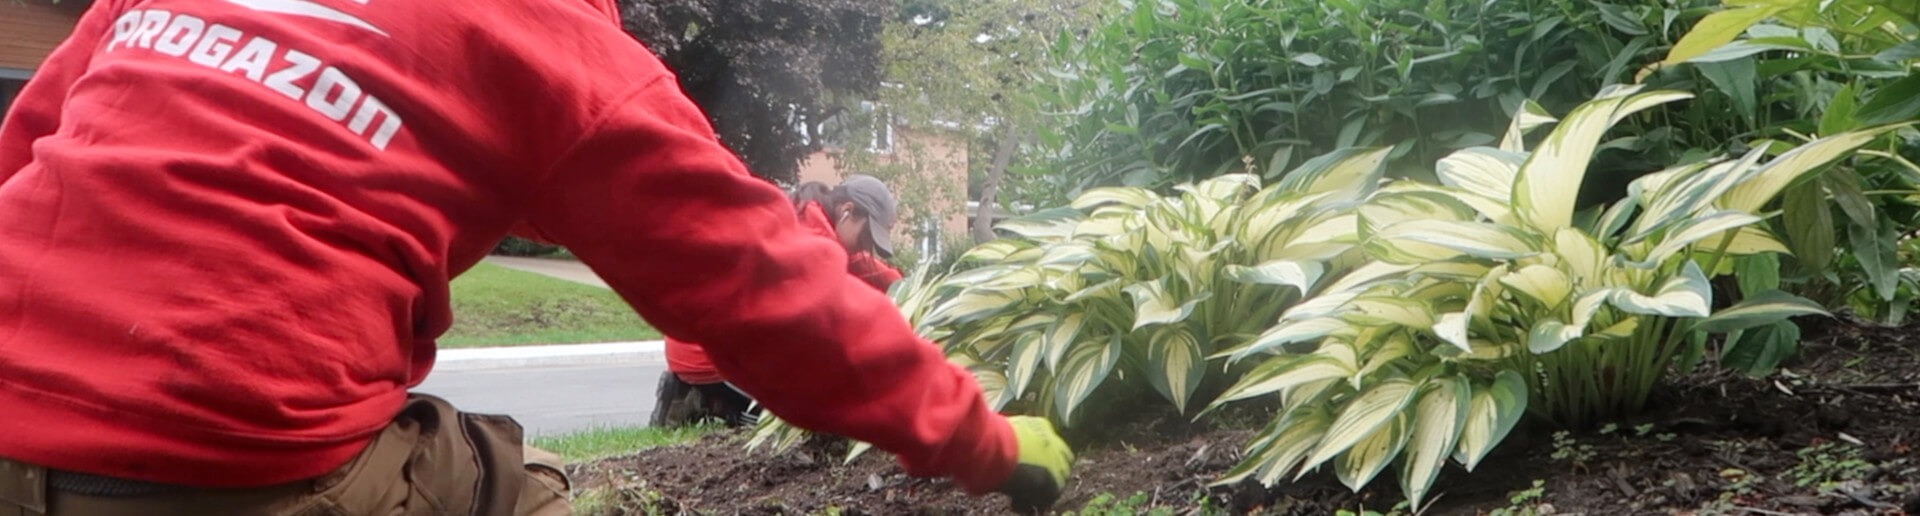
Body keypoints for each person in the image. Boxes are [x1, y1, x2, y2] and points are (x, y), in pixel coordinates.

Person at [0, 1, 1072, 515]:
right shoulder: (542, 40)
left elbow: (22, 148)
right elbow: (765, 290)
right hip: (215, 465)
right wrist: (980, 439)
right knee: (517, 490)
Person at [654, 176, 903, 429]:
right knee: (804, 416)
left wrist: (909, 288)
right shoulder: (809, 241)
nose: (866, 248)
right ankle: (705, 399)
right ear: (847, 210)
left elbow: (861, 266)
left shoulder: (809, 217)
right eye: (866, 238)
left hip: (696, 342)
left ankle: (702, 392)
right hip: (707, 356)